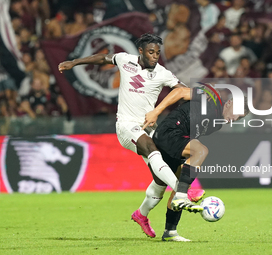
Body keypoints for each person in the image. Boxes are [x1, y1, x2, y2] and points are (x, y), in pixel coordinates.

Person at [58, 33, 204, 238]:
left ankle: (141, 214)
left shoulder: (163, 73)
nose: (155, 56)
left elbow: (181, 90)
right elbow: (103, 58)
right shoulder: (125, 60)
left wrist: (202, 95)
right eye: (151, 52)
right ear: (141, 51)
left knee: (160, 179)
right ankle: (183, 193)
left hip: (148, 128)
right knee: (153, 150)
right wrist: (74, 62)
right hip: (126, 126)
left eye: (158, 53)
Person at [140, 84, 249, 241]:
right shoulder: (211, 98)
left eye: (239, 118)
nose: (234, 119)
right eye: (236, 114)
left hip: (177, 140)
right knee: (201, 151)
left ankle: (170, 232)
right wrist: (156, 112)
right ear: (230, 102)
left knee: (179, 186)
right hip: (169, 132)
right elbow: (179, 92)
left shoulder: (216, 124)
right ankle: (181, 197)